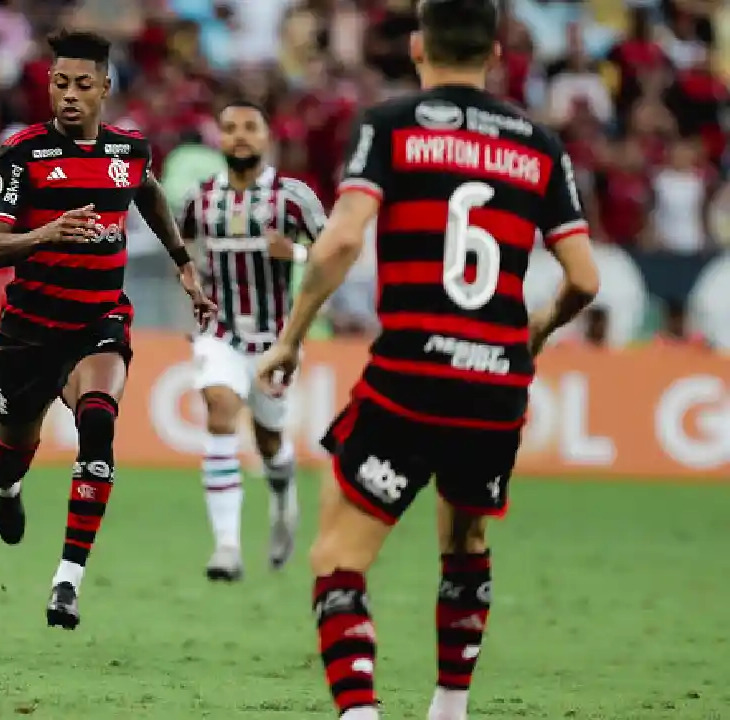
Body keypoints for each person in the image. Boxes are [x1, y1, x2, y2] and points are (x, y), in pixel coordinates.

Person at [254, 1, 601, 718]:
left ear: (417, 46)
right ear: (498, 52)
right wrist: (534, 332)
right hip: (497, 380)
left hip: (411, 372)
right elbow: (585, 280)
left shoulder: (391, 124)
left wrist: (291, 336)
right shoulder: (540, 145)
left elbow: (344, 238)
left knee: (337, 556)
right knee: (466, 536)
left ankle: (360, 713)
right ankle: (449, 708)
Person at [0, 29, 216, 630]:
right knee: (12, 455)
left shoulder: (129, 151)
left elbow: (149, 194)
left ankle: (67, 582)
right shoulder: (22, 155)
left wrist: (184, 262)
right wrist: (46, 234)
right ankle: (6, 488)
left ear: (106, 87)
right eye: (60, 83)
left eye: (83, 84)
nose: (70, 95)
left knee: (100, 424)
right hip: (29, 332)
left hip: (97, 320)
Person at [178, 100, 327, 581]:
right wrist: (195, 292)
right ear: (218, 138)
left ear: (267, 137)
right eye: (229, 128)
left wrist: (298, 252)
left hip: (275, 341)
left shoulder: (293, 198)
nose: (239, 136)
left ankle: (283, 493)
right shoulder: (199, 201)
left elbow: (337, 255)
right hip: (218, 334)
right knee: (220, 411)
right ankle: (226, 548)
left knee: (268, 440)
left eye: (249, 127)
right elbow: (182, 253)